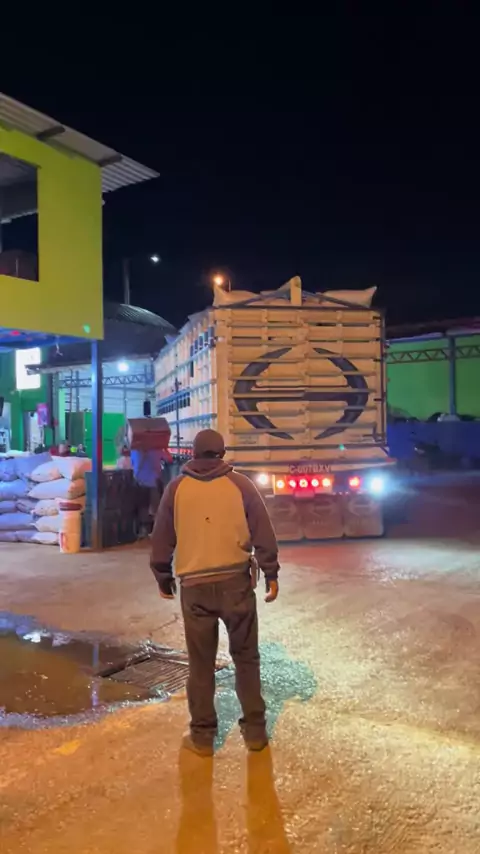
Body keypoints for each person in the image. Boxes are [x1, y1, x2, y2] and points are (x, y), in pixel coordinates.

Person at [150, 428, 279, 757]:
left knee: (201, 664)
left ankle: (203, 737)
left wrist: (163, 576)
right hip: (236, 584)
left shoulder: (176, 489)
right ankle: (255, 733)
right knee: (246, 658)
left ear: (193, 453)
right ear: (221, 453)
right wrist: (271, 573)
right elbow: (263, 532)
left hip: (194, 588)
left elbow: (162, 537)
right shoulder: (241, 485)